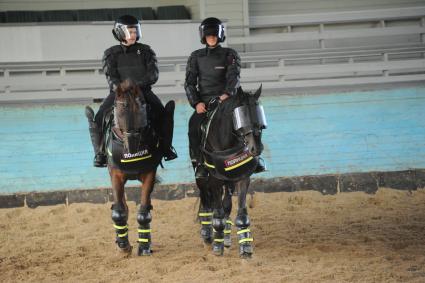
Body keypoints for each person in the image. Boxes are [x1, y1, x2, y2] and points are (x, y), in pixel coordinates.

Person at [86, 15, 177, 167]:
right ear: (120, 32)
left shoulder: (146, 50)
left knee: (164, 115)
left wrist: (137, 86)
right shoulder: (110, 53)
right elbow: (111, 76)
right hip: (118, 94)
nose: (133, 35)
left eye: (135, 31)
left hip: (143, 92)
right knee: (99, 118)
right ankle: (100, 153)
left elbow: (153, 74)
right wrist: (121, 88)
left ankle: (166, 149)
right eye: (130, 31)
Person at [184, 17, 265, 179]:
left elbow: (234, 78)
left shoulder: (230, 54)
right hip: (205, 103)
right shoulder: (196, 57)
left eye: (215, 35)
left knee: (252, 119)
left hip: (229, 99)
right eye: (209, 35)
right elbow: (190, 83)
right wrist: (196, 103)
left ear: (220, 36)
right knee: (193, 127)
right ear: (204, 37)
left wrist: (226, 95)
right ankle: (200, 164)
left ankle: (255, 157)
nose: (212, 37)